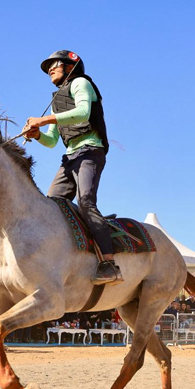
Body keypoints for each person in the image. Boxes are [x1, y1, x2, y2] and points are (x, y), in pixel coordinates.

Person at [23, 50, 121, 285]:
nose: (49, 70)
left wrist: (42, 120)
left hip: (90, 151)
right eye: (47, 68)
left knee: (85, 201)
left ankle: (109, 264)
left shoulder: (81, 83)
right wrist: (37, 135)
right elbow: (51, 142)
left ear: (70, 65)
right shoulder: (57, 100)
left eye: (53, 65)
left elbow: (83, 112)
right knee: (50, 205)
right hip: (69, 158)